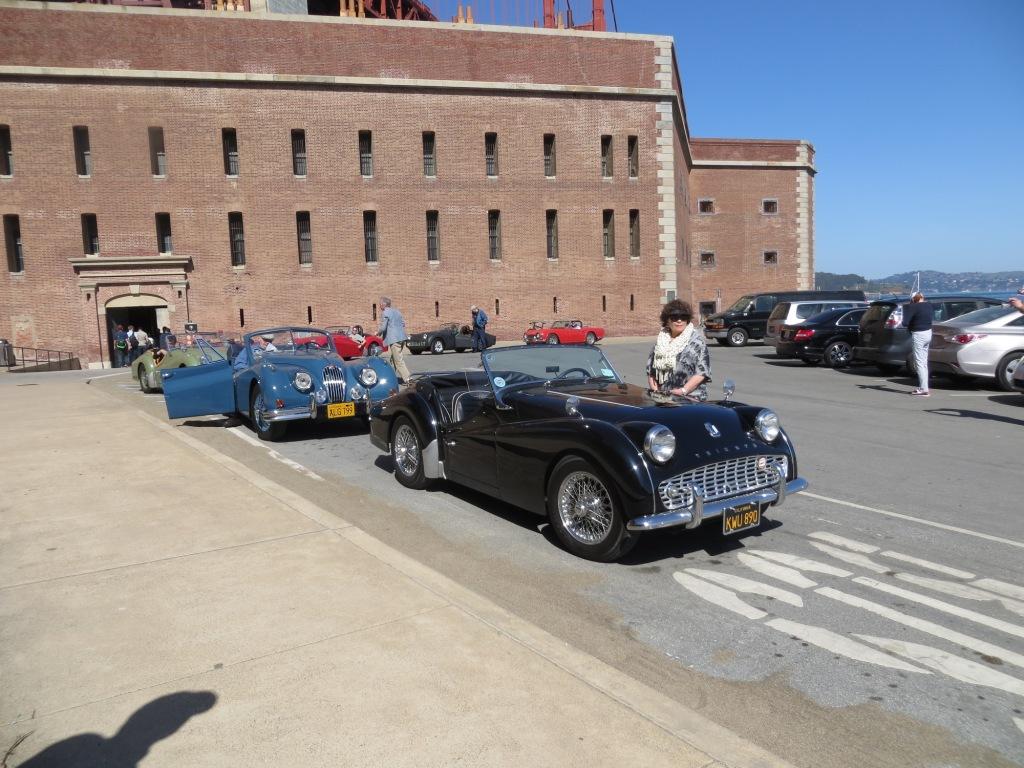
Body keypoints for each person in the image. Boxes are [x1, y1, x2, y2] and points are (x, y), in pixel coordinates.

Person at [646, 299, 712, 400]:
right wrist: (656, 391)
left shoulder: (697, 342)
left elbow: (702, 373)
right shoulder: (661, 341)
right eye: (674, 317)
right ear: (667, 320)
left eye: (683, 317)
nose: (679, 320)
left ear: (688, 319)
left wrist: (683, 391)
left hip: (690, 399)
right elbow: (651, 371)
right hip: (663, 398)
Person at [902, 292, 934, 397]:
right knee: (924, 362)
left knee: (919, 362)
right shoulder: (928, 305)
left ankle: (923, 389)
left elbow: (905, 323)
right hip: (928, 333)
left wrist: (907, 308)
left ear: (913, 299)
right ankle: (924, 387)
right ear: (922, 297)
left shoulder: (912, 307)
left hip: (918, 335)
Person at [377, 296, 411, 383]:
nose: (379, 305)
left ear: (384, 304)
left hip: (394, 340)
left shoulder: (385, 312)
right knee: (393, 359)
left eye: (380, 304)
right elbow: (403, 324)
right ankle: (391, 377)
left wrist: (378, 333)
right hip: (402, 338)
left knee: (398, 361)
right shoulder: (397, 312)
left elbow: (383, 327)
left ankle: (408, 379)